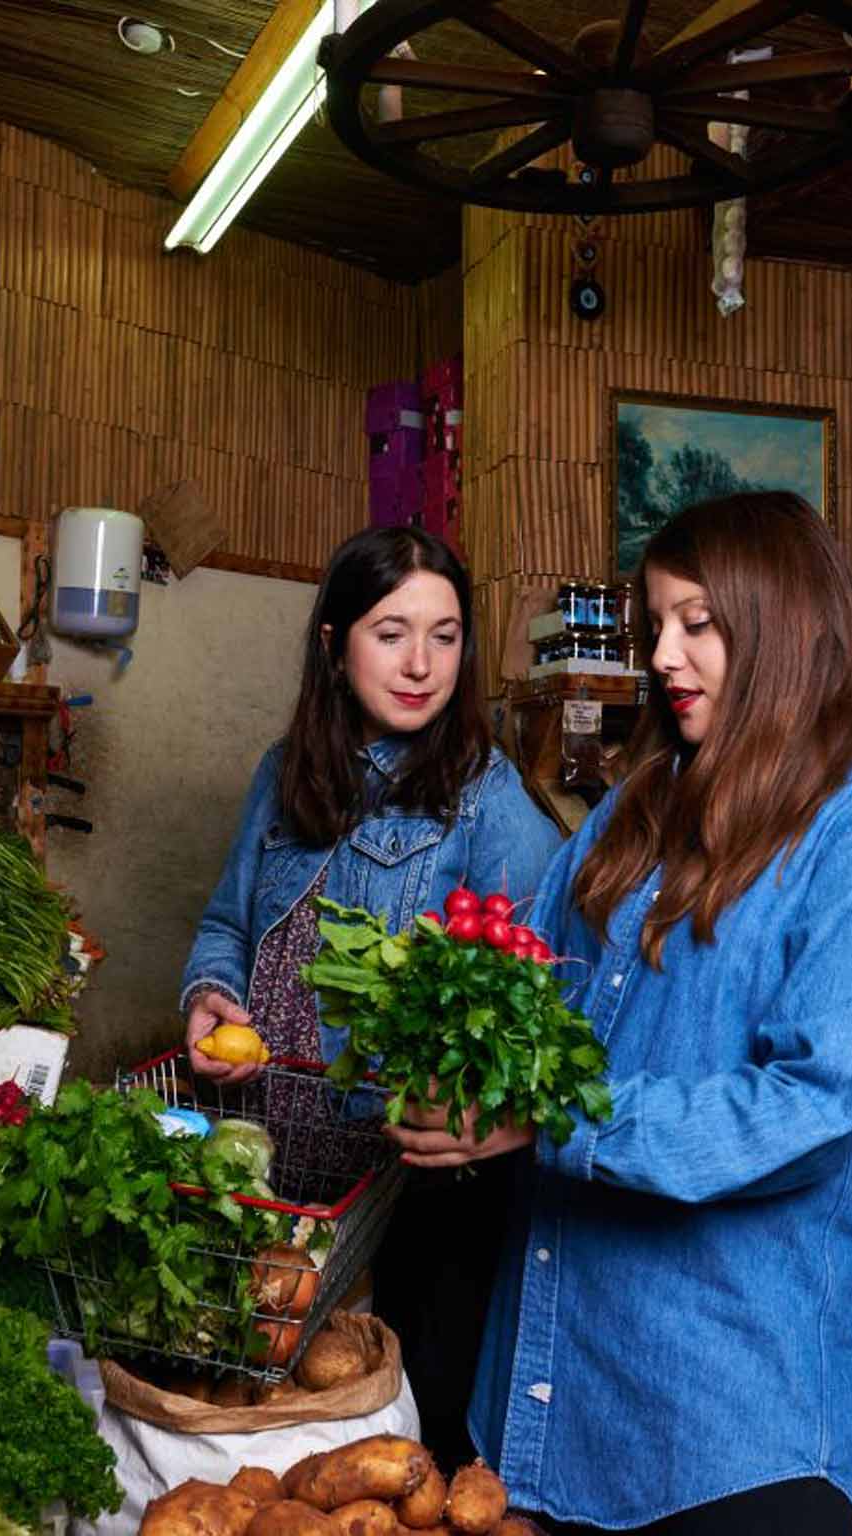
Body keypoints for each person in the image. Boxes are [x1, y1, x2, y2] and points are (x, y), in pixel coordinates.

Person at [387, 493, 852, 1535]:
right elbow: (534, 990)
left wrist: (556, 1117)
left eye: (697, 624)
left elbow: (811, 1108)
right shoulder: (638, 806)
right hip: (545, 1396)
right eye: (653, 625)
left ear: (788, 628)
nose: (661, 655)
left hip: (722, 1437)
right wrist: (460, 1072)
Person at [179, 524, 563, 1468]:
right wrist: (209, 996)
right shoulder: (285, 772)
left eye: (445, 634)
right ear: (334, 642)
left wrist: (482, 1095)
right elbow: (228, 923)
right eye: (391, 633)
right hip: (270, 1168)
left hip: (411, 1191)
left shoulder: (486, 795)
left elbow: (549, 989)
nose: (421, 664)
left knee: (399, 1440)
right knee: (254, 1425)